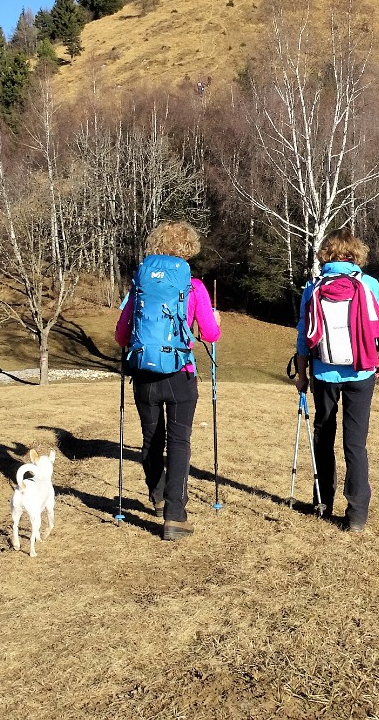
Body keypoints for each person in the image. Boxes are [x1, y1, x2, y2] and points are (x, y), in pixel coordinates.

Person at [115, 221, 220, 542]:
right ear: (188, 249)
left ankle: (158, 497)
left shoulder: (141, 284)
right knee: (178, 442)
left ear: (156, 245)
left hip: (144, 373)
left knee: (151, 440)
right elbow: (211, 334)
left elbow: (121, 334)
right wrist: (213, 320)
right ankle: (175, 515)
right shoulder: (193, 287)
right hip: (180, 373)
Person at [294, 229, 379, 533]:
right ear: (355, 254)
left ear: (326, 255)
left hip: (324, 374)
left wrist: (302, 376)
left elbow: (303, 337)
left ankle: (321, 504)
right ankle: (356, 515)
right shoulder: (368, 284)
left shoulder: (313, 287)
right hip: (362, 372)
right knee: (355, 443)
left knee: (323, 436)